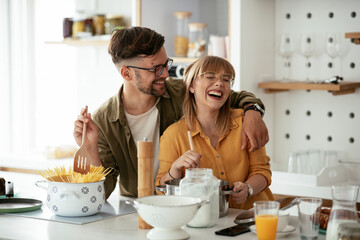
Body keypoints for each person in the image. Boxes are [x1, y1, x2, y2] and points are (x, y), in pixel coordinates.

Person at [73, 27, 268, 199]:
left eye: (166, 64)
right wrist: (90, 150)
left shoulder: (181, 91)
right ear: (127, 74)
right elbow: (101, 194)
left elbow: (236, 97)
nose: (166, 74)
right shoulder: (103, 121)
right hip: (138, 211)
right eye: (156, 68)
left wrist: (253, 113)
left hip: (183, 206)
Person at [155, 56, 274, 209]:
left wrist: (248, 189)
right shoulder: (173, 135)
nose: (219, 83)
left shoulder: (245, 122)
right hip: (207, 221)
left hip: (253, 217)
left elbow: (262, 171)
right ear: (192, 86)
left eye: (226, 79)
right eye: (210, 77)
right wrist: (176, 168)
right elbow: (161, 191)